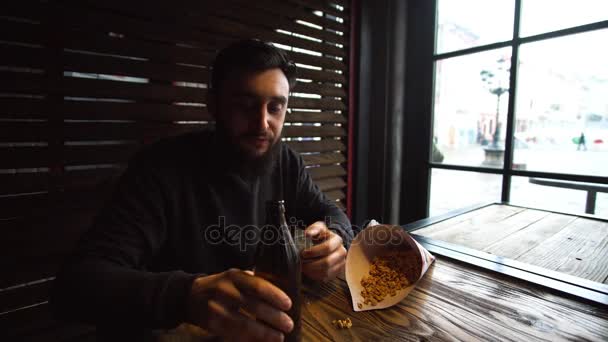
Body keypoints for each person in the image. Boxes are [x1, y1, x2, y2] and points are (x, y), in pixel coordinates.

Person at [51, 39, 354, 341]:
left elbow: (328, 212)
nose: (262, 123)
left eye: (275, 107)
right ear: (213, 104)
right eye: (245, 105)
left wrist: (336, 236)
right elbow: (76, 285)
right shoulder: (160, 169)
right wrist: (187, 296)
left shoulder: (285, 161)